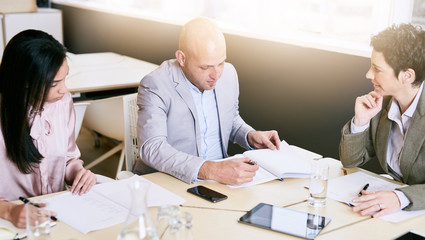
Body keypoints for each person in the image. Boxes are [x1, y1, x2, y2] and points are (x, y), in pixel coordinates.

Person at [134, 17, 281, 185]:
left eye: (221, 63)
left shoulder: (229, 74)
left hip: (221, 183)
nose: (216, 74)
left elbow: (230, 119)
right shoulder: (156, 84)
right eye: (205, 67)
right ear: (181, 58)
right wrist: (211, 170)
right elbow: (152, 148)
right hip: (171, 181)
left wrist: (249, 136)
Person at [0, 29, 96, 228]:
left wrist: (79, 172)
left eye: (65, 78)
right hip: (10, 223)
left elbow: (68, 158)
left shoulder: (63, 102)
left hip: (57, 214)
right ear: (25, 83)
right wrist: (9, 211)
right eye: (54, 83)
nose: (65, 89)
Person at [340, 23, 425, 217]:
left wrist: (400, 198)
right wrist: (360, 123)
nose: (368, 75)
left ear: (407, 76)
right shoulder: (382, 104)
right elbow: (350, 162)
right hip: (396, 216)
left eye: (377, 69)